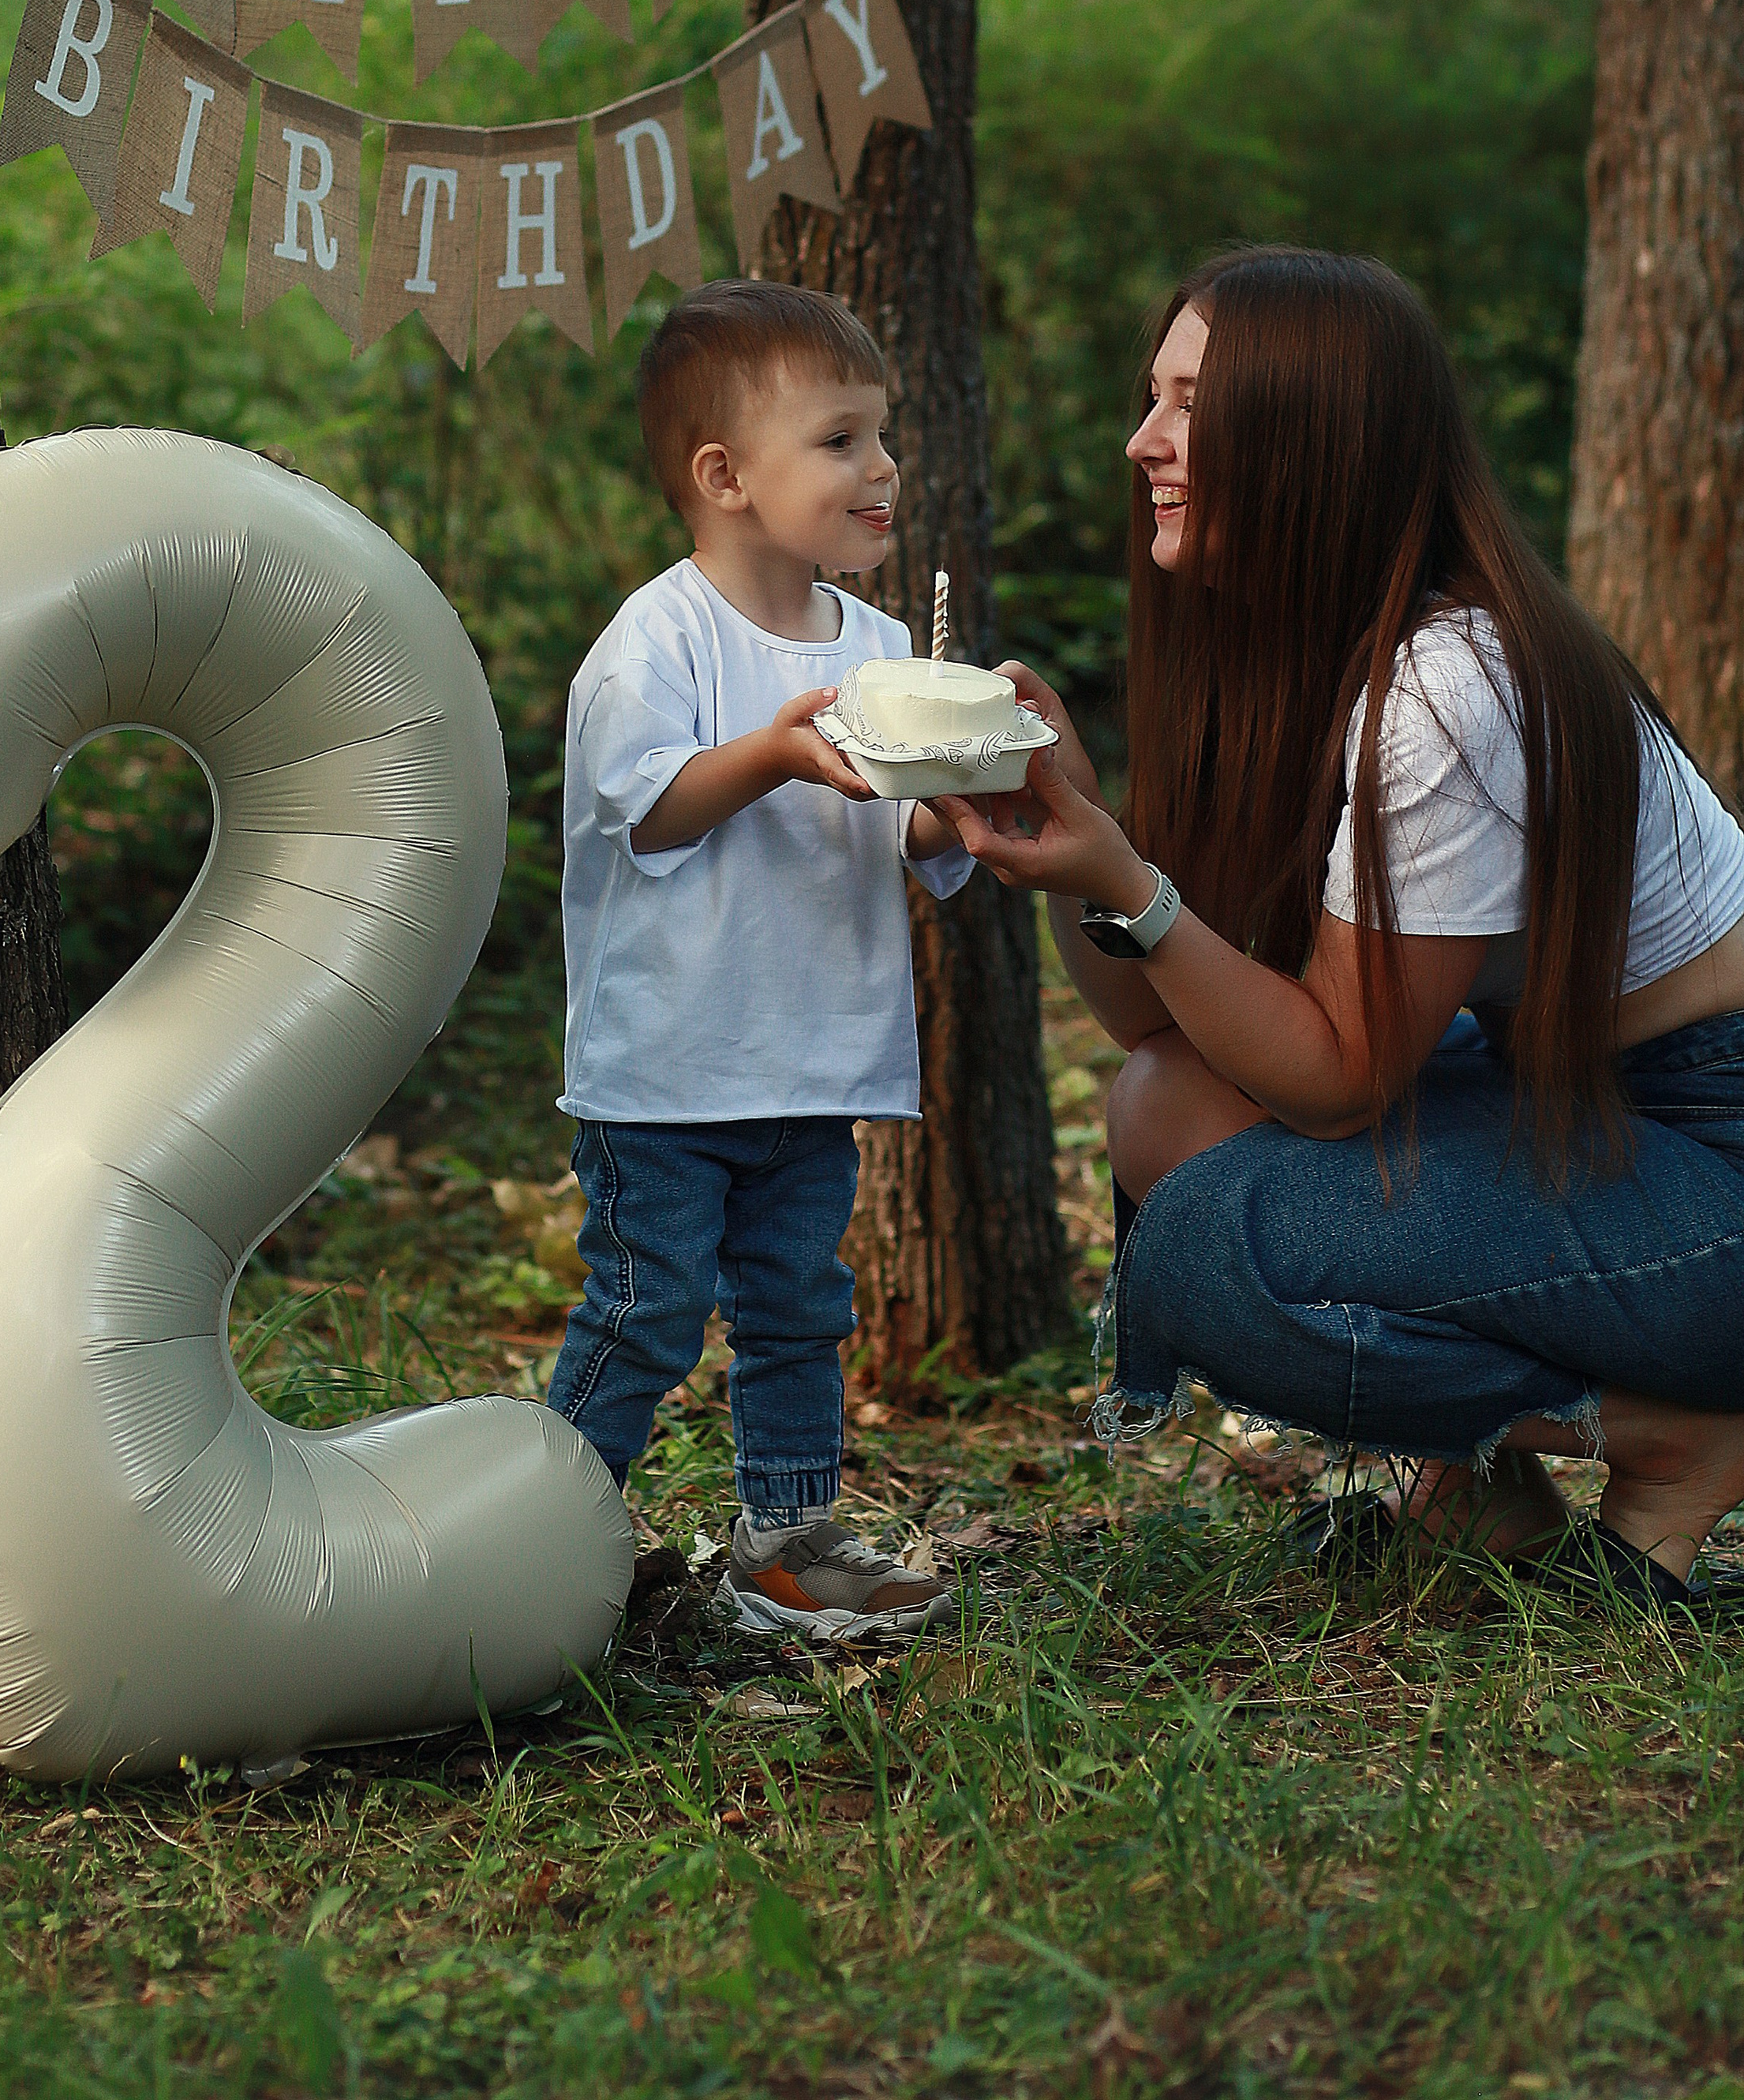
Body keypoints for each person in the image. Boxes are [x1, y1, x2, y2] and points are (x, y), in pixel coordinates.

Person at [943, 245, 1744, 1614]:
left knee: (1213, 1258)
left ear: (1312, 433)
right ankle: (1491, 1487)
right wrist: (1083, 839)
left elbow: (1337, 1076)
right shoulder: (1307, 656)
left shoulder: (1449, 685)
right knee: (1163, 1107)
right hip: (1594, 1119)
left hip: (1712, 1156)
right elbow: (1165, 1021)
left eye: (1189, 403)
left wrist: (1137, 884)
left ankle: (1679, 1437)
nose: (1144, 442)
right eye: (1154, 397)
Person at [545, 279, 970, 1638]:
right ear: (725, 476)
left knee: (798, 1306)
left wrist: (958, 805)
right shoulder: (654, 641)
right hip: (667, 1072)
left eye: (882, 436)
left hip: (809, 1060)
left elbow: (906, 819)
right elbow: (647, 803)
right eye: (841, 440)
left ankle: (786, 1542)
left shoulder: (885, 647)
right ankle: (541, 1539)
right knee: (647, 1308)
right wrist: (779, 752)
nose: (882, 466)